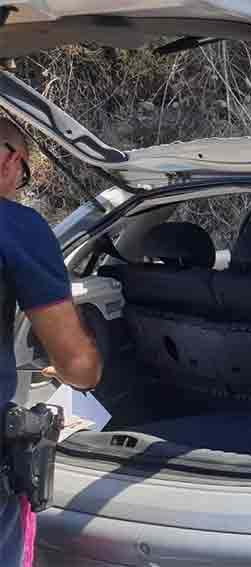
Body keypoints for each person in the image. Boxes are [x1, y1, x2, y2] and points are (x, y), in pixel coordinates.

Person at [0, 117, 102, 565]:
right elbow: (79, 365)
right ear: (10, 161)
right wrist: (74, 370)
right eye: (23, 177)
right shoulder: (14, 225)